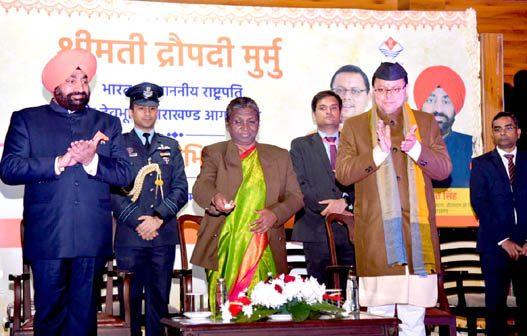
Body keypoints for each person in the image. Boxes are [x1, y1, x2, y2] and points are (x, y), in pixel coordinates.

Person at [0, 49, 133, 335]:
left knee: (85, 318)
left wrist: (92, 161)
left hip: (90, 237)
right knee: (49, 317)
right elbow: (9, 169)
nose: (81, 87)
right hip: (49, 237)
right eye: (72, 80)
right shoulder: (27, 120)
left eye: (84, 80)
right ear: (55, 85)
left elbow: (125, 176)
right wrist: (58, 162)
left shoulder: (107, 123)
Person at [335, 62, 451, 335]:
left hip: (417, 241)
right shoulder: (355, 125)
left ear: (406, 90)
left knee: (414, 320)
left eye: (395, 89)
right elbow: (343, 174)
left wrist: (417, 149)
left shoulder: (425, 122)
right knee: (378, 320)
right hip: (377, 239)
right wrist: (377, 153)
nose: (388, 96)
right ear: (373, 91)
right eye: (382, 90)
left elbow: (444, 170)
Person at [190, 96, 304, 313]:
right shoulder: (215, 153)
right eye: (238, 121)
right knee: (226, 311)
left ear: (258, 124)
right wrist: (215, 198)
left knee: (265, 309)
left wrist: (275, 214)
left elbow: (296, 196)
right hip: (224, 243)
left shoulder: (279, 156)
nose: (245, 127)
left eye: (251, 121)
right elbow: (201, 186)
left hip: (266, 244)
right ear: (228, 124)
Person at [111, 82, 188, 336]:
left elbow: (180, 188)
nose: (147, 113)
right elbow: (110, 190)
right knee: (130, 303)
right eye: (141, 108)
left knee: (159, 301)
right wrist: (138, 221)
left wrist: (157, 218)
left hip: (162, 236)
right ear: (130, 111)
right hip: (130, 237)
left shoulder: (171, 145)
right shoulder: (117, 145)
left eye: (152, 108)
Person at [469, 111, 527, 336]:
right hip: (495, 246)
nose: (503, 132)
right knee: (495, 308)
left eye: (508, 127)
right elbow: (480, 204)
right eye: (497, 129)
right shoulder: (481, 164)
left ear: (518, 132)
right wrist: (504, 240)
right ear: (493, 134)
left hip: (525, 246)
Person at [290, 90, 355, 288]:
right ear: (314, 114)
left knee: (351, 291)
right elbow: (300, 184)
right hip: (315, 227)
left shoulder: (354, 144)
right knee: (319, 293)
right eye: (322, 108)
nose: (329, 112)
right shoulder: (300, 145)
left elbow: (365, 181)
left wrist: (346, 202)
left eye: (334, 108)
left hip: (351, 228)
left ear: (341, 113)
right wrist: (330, 208)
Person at [414, 65, 471, 187]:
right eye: (430, 100)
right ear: (420, 105)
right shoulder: (408, 144)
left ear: (456, 106)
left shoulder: (471, 146)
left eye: (446, 101)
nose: (438, 109)